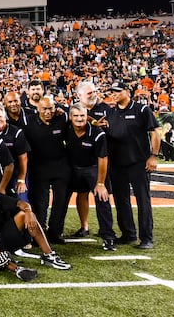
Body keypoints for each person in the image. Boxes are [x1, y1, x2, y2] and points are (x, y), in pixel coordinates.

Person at [0, 174, 71, 273]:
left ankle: (49, 255)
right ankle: (11, 266)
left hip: (3, 236)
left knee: (24, 215)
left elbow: (20, 203)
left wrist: (28, 212)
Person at [106, 80, 160, 249]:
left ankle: (147, 238)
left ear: (127, 92)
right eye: (112, 92)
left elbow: (155, 132)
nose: (114, 94)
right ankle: (128, 234)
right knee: (121, 201)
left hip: (138, 163)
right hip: (116, 164)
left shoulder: (142, 109)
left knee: (143, 201)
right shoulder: (110, 112)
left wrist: (154, 156)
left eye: (117, 91)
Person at [66, 103, 116, 251]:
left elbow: (103, 159)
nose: (79, 119)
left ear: (86, 116)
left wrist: (100, 183)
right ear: (70, 117)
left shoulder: (97, 133)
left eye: (82, 116)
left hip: (93, 169)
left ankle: (108, 236)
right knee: (76, 196)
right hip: (73, 168)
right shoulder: (67, 128)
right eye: (76, 116)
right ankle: (83, 227)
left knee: (102, 197)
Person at [22, 96, 71, 244]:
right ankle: (39, 234)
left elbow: (78, 113)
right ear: (38, 108)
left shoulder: (62, 118)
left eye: (51, 108)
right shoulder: (29, 122)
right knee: (40, 204)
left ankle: (55, 233)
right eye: (44, 109)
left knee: (60, 202)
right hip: (39, 168)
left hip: (60, 167)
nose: (48, 112)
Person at [0, 104, 30, 200]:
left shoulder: (16, 132)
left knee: (22, 200)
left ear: (5, 117)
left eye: (0, 117)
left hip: (15, 173)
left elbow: (23, 158)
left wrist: (21, 179)